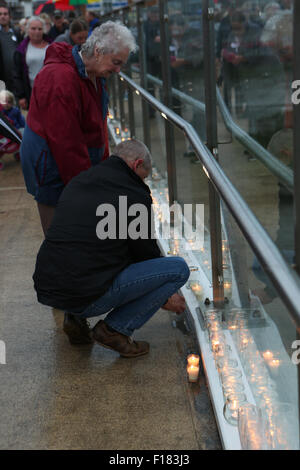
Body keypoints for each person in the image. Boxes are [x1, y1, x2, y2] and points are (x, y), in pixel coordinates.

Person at [33, 139, 189, 356]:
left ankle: (75, 317)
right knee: (177, 269)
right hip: (85, 294)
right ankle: (115, 329)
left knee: (85, 253)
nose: (144, 183)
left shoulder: (81, 180)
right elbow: (146, 255)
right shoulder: (135, 194)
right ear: (137, 165)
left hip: (51, 287)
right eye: (145, 176)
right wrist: (164, 296)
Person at [20, 21, 136, 235]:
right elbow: (65, 144)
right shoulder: (59, 78)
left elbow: (97, 130)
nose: (118, 70)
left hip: (70, 167)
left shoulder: (95, 75)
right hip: (51, 169)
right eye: (116, 62)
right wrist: (89, 190)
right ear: (99, 52)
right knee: (60, 238)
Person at [13, 16, 52, 111]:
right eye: (33, 28)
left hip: (52, 92)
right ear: (27, 30)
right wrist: (21, 96)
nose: (37, 31)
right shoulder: (21, 49)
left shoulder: (52, 46)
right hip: (31, 93)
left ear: (44, 30)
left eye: (39, 29)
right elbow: (17, 74)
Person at [0, 3, 21, 93]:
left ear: (10, 17)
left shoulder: (16, 33)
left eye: (5, 14)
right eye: (0, 14)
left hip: (16, 78)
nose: (3, 16)